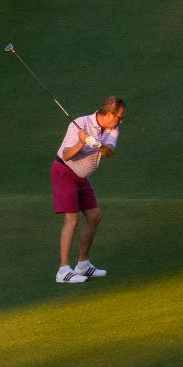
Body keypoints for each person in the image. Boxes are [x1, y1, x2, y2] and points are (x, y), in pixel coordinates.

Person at [53, 97, 125, 284]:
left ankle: (83, 265)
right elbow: (66, 155)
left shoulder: (112, 129)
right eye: (119, 117)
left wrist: (98, 144)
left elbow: (109, 152)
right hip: (65, 171)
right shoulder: (80, 123)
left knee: (94, 216)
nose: (121, 121)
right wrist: (82, 143)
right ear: (110, 114)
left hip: (82, 177)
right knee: (72, 218)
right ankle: (63, 271)